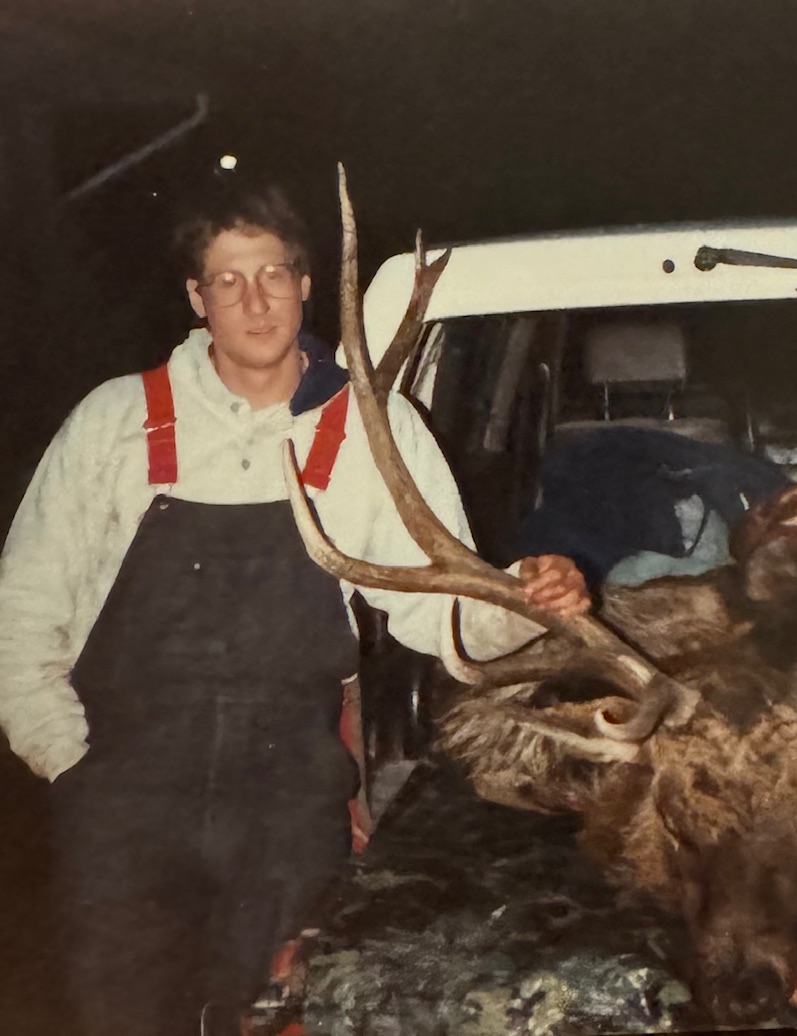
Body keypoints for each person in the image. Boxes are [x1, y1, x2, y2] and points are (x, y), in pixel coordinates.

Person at [0, 180, 588, 1035]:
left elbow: (445, 620)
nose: (254, 300)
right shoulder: (117, 422)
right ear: (197, 299)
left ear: (307, 283)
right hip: (123, 794)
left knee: (275, 1019)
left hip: (285, 798)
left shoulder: (374, 427)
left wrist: (529, 602)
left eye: (272, 274)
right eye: (227, 280)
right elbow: (20, 613)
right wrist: (71, 764)